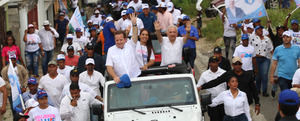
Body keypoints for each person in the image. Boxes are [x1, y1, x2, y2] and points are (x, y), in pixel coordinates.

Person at [197, 56, 226, 121]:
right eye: (213, 62)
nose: (215, 64)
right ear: (209, 64)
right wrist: (197, 99)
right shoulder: (204, 74)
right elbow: (198, 87)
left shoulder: (223, 73)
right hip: (212, 103)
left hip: (223, 103)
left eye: (216, 62)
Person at [249, 26, 273, 96]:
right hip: (255, 59)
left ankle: (264, 91)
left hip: (265, 59)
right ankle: (257, 90)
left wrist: (275, 58)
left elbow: (271, 49)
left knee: (264, 75)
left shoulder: (267, 39)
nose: (260, 30)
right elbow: (248, 47)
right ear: (255, 31)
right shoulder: (252, 38)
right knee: (257, 75)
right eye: (258, 29)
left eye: (261, 29)